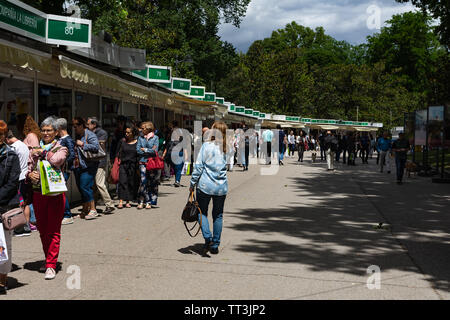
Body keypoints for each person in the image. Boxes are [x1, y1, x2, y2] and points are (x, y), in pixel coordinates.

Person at [27, 117, 68, 280]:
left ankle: (51, 265)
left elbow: (57, 161)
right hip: (38, 194)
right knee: (43, 230)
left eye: (49, 130)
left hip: (55, 195)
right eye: (43, 130)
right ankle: (48, 259)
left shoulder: (61, 147)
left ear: (56, 132)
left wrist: (43, 152)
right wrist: (30, 174)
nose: (45, 133)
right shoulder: (35, 149)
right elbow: (28, 166)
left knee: (53, 230)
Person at [190, 121, 228, 255]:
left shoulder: (206, 146)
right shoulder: (227, 148)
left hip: (205, 185)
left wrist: (192, 183)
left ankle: (208, 238)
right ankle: (215, 244)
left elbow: (199, 167)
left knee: (201, 212)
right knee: (218, 215)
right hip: (221, 187)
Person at [0, 120, 21, 294]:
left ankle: (2, 280)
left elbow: (13, 183)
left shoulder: (10, 155)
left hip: (4, 207)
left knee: (3, 245)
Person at [5, 131, 32, 236]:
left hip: (18, 178)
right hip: (25, 176)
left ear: (7, 139)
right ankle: (26, 225)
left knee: (18, 203)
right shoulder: (23, 145)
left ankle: (20, 228)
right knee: (25, 202)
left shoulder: (13, 148)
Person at [72, 117, 100, 220]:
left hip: (89, 165)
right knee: (81, 187)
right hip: (80, 165)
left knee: (85, 186)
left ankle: (93, 209)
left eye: (76, 126)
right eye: (73, 126)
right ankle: (84, 210)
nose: (74, 128)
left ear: (81, 125)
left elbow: (96, 146)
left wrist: (83, 144)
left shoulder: (90, 134)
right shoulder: (79, 135)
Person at [87, 117, 115, 214]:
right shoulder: (89, 133)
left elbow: (98, 146)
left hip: (100, 162)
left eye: (88, 124)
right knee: (94, 185)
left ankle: (109, 204)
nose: (87, 126)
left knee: (99, 183)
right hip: (92, 161)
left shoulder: (102, 133)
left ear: (94, 124)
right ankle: (93, 206)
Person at [56, 118, 76, 225]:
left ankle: (67, 214)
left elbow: (72, 155)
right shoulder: (60, 139)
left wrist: (63, 163)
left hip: (64, 169)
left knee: (60, 191)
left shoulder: (67, 139)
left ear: (59, 128)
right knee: (58, 192)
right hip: (60, 169)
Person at [136, 121, 159, 209]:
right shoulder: (140, 138)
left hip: (152, 163)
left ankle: (149, 202)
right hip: (142, 162)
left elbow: (155, 151)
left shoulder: (155, 138)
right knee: (143, 181)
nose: (141, 130)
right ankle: (142, 200)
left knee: (151, 182)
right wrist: (149, 150)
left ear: (148, 129)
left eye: (142, 128)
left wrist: (145, 150)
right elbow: (138, 150)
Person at [116, 123, 138, 209]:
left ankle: (128, 201)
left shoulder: (137, 142)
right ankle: (121, 200)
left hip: (132, 165)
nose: (126, 134)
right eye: (126, 132)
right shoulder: (122, 141)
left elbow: (138, 155)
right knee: (122, 181)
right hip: (123, 164)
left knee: (130, 182)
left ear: (133, 133)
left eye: (129, 132)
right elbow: (117, 152)